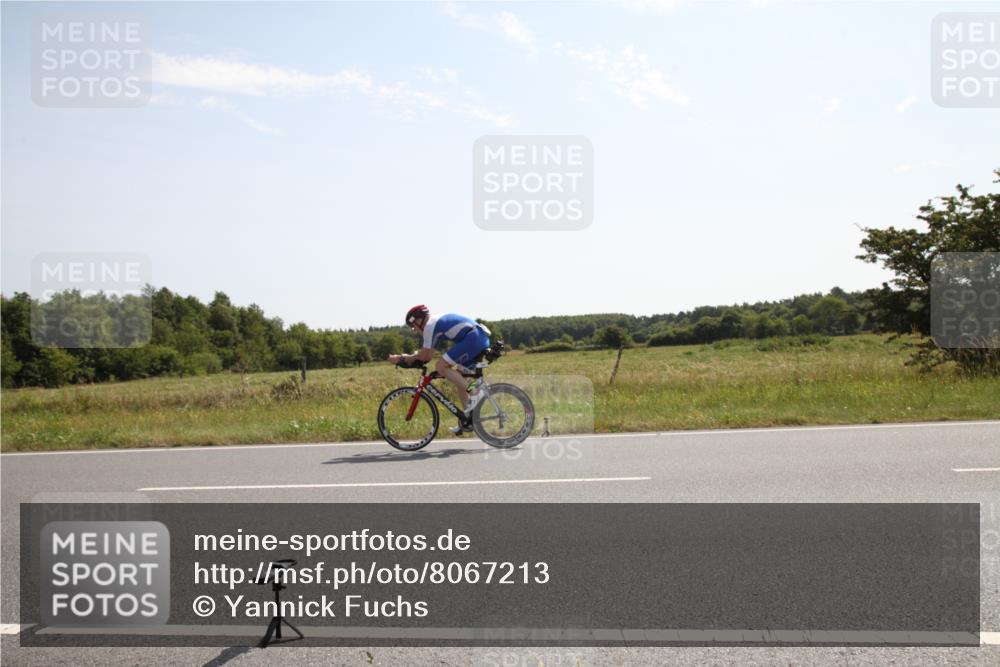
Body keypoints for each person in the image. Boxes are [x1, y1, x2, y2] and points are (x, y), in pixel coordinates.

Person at [387, 305, 491, 433]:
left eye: (413, 326)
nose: (414, 330)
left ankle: (475, 391)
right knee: (460, 378)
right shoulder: (434, 323)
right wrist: (412, 357)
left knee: (441, 366)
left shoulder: (430, 326)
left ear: (419, 320)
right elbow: (428, 356)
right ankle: (468, 419)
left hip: (474, 338)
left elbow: (425, 356)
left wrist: (403, 357)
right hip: (477, 337)